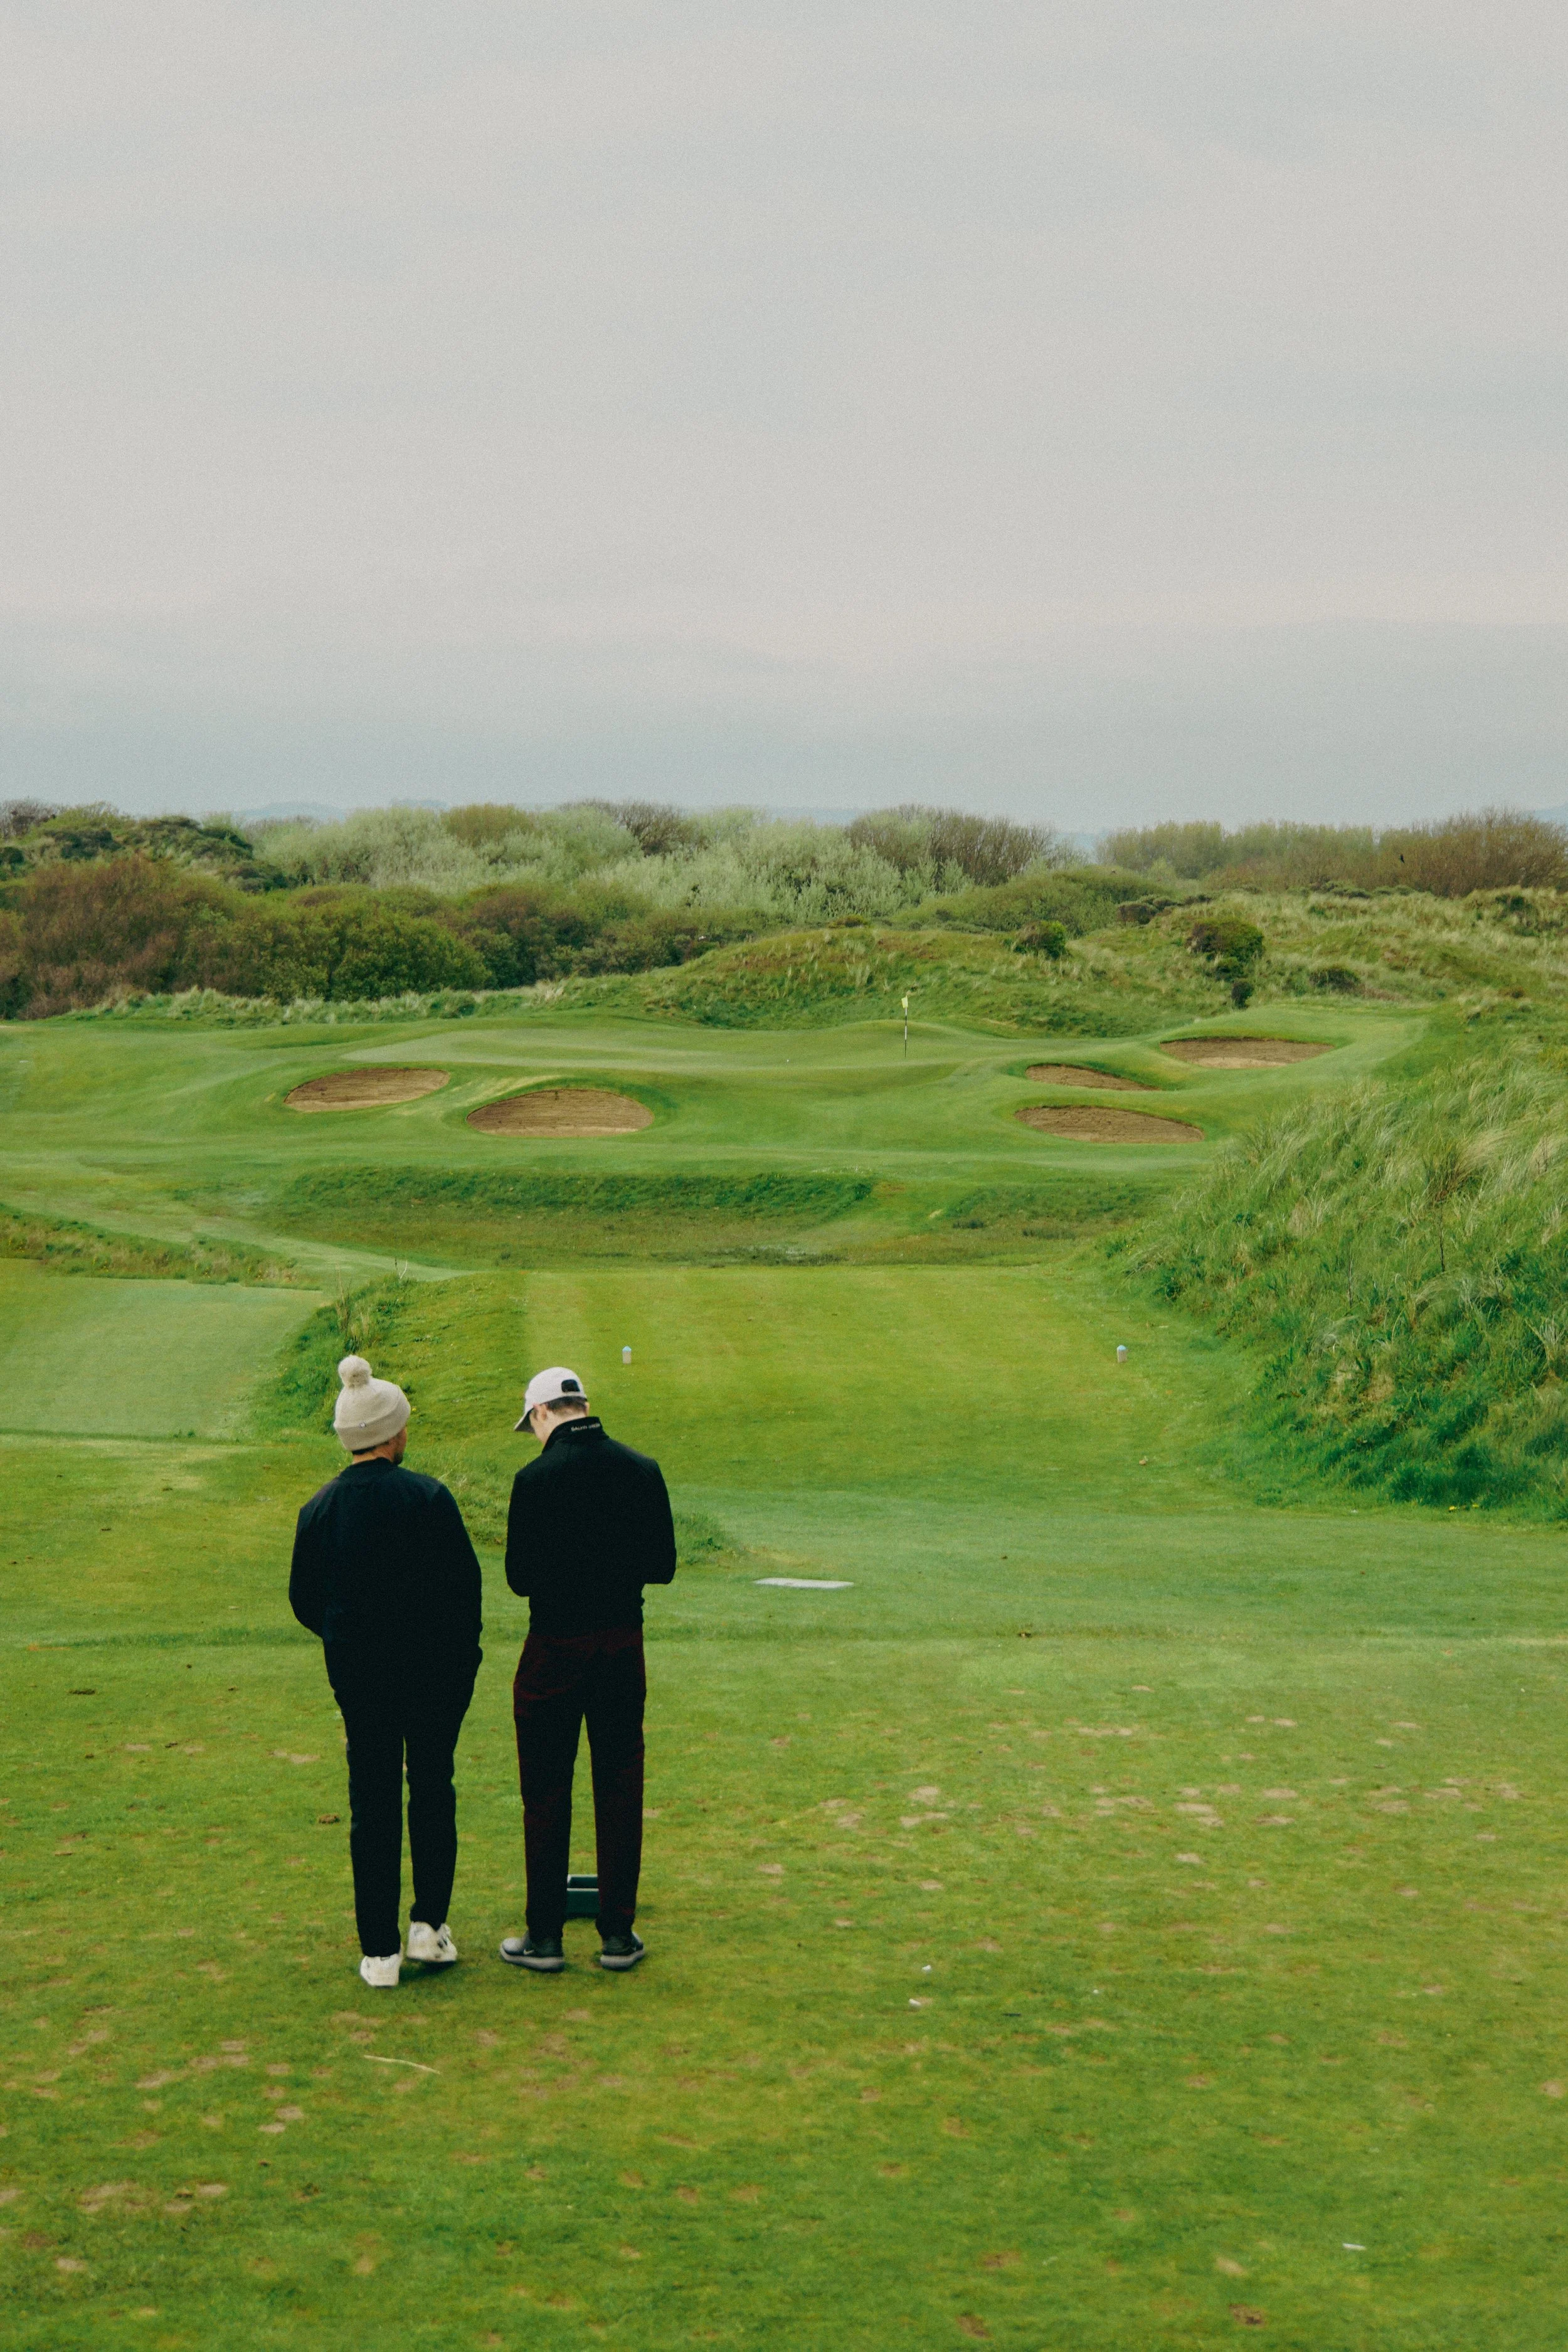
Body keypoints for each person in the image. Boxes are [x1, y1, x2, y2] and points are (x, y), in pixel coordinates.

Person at [289, 1355, 483, 1989]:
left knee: (371, 1802)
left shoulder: (319, 1509)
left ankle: (379, 1952)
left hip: (361, 1679)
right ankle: (428, 1929)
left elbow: (306, 1600)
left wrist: (347, 1643)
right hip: (431, 1677)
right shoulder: (427, 1497)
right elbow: (464, 1595)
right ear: (391, 1434)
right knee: (432, 1790)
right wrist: (461, 1665)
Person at [499, 1365, 675, 1974]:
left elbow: (519, 1578)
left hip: (554, 1645)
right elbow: (664, 1565)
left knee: (546, 1785)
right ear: (584, 1406)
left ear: (544, 1413)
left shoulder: (535, 1478)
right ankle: (617, 1935)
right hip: (623, 1643)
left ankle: (545, 1937)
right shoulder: (641, 1469)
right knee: (620, 1781)